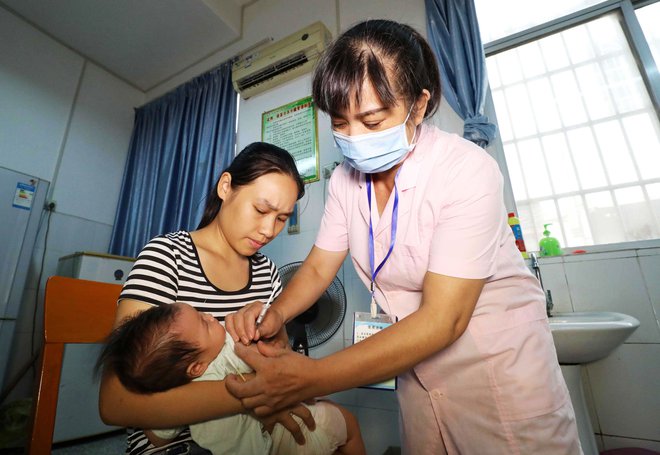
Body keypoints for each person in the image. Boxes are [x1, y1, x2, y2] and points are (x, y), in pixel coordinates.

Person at [224, 19, 583, 455]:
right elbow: (319, 265)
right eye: (341, 123)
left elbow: (443, 319)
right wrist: (276, 314)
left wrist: (309, 377)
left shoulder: (465, 171)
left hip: (497, 370)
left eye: (372, 121)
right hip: (416, 370)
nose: (354, 139)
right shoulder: (344, 183)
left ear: (417, 106)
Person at [99, 142, 321, 455]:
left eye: (282, 218)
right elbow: (116, 403)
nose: (269, 230)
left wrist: (275, 348)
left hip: (256, 437)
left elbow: (278, 361)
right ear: (226, 186)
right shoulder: (167, 257)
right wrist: (256, 394)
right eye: (261, 210)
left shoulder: (267, 273)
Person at [97, 302, 365, 455]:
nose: (211, 316)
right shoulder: (230, 349)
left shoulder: (178, 390)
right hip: (282, 440)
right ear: (196, 367)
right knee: (347, 423)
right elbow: (277, 369)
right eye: (204, 322)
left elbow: (158, 437)